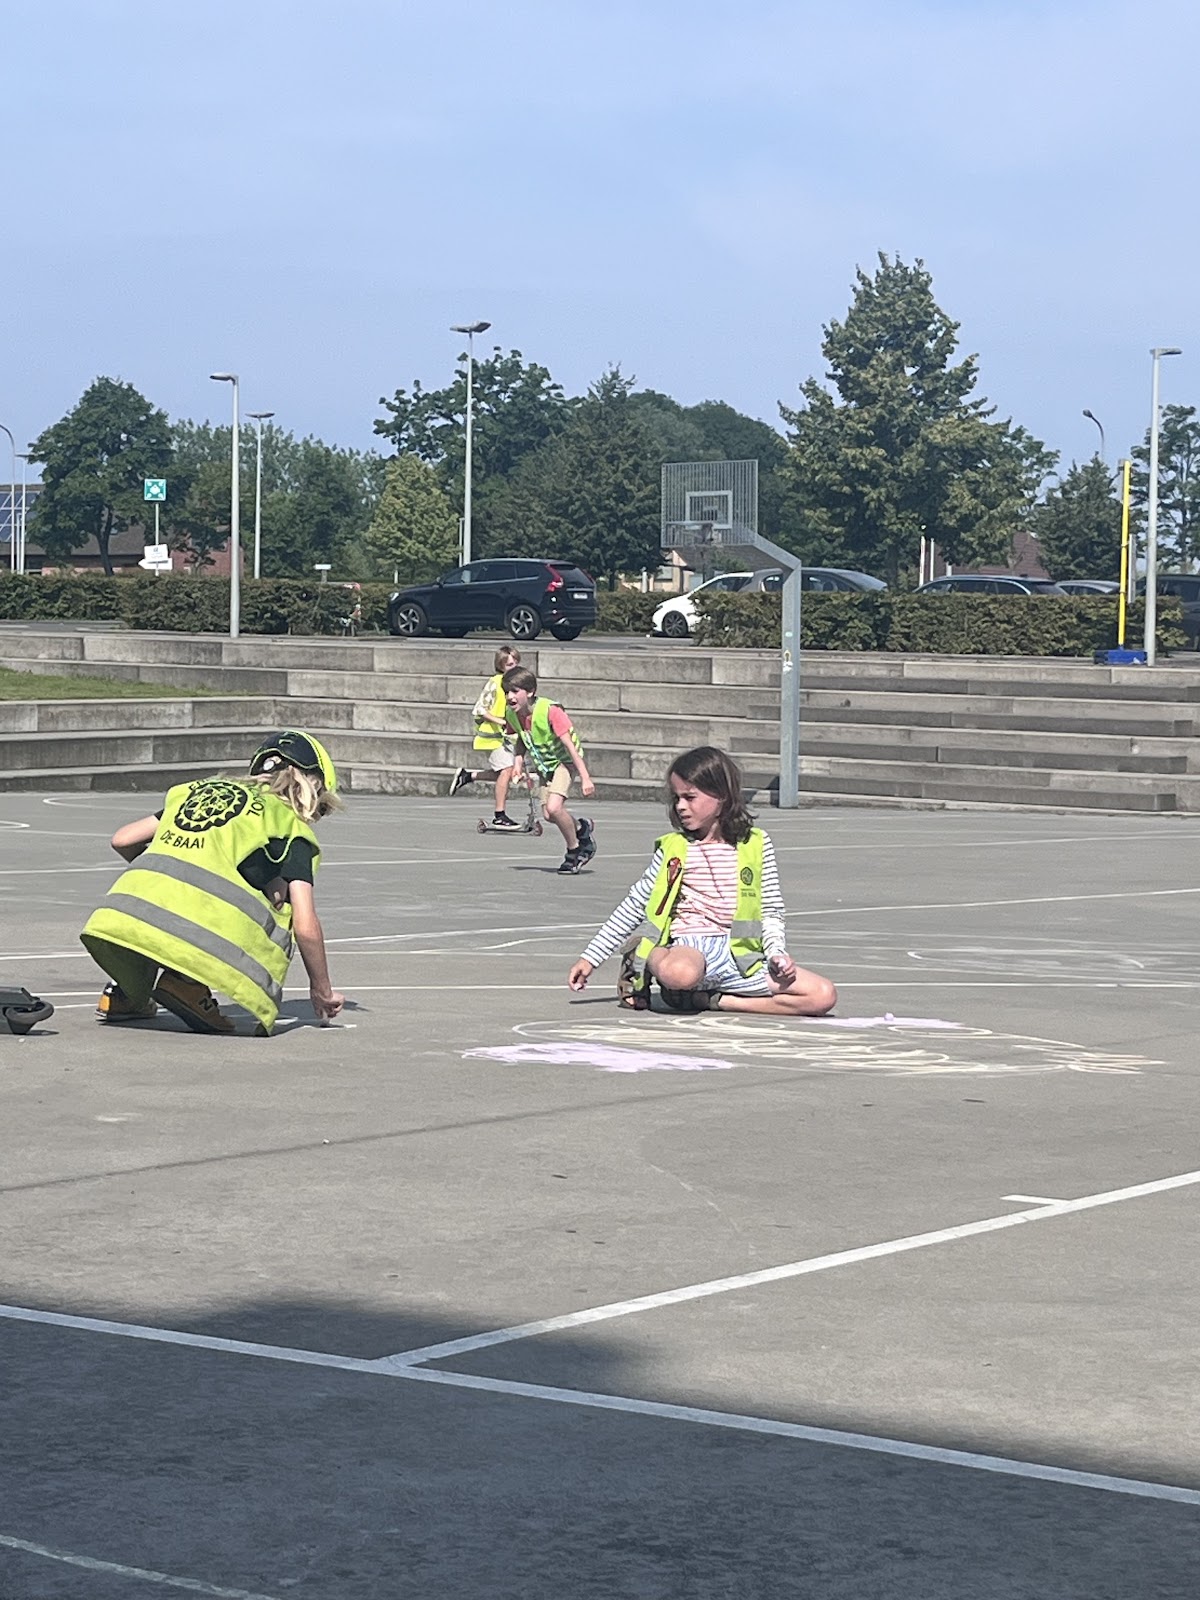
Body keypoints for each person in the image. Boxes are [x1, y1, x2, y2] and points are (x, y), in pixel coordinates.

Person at [81, 730, 345, 1036]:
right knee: (278, 899)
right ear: (312, 787)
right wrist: (321, 989)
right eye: (322, 808)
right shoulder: (288, 826)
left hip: (120, 920)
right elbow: (305, 923)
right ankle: (186, 982)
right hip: (193, 930)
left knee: (217, 885)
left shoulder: (201, 791)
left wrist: (170, 872)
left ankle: (127, 993)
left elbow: (123, 839)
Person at [568, 745, 836, 1015]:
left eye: (690, 797)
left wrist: (777, 953)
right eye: (677, 798)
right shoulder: (675, 849)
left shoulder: (756, 843)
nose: (680, 806)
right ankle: (646, 955)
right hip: (690, 949)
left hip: (741, 957)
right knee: (681, 974)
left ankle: (715, 1000)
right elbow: (634, 905)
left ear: (721, 795)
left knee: (822, 995)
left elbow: (770, 909)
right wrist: (591, 958)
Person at [501, 664, 597, 874]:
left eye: (515, 691)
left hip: (565, 763)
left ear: (530, 692)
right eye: (507, 692)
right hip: (545, 767)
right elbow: (521, 740)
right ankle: (581, 828)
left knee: (554, 808)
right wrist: (518, 763)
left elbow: (570, 747)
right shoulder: (512, 714)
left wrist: (585, 777)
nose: (510, 697)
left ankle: (575, 851)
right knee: (549, 815)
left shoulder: (550, 711)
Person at [449, 646, 523, 827]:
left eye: (515, 663)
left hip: (506, 737)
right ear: (501, 666)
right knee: (506, 770)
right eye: (509, 665)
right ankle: (500, 815)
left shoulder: (516, 684)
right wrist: (501, 721)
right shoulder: (495, 683)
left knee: (505, 773)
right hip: (492, 736)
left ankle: (468, 776)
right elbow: (480, 709)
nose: (513, 667)